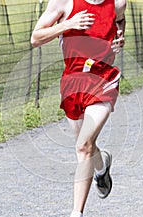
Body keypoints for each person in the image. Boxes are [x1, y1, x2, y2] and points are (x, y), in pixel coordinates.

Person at [30, 0, 126, 216]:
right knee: (87, 145)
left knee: (83, 147)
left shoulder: (117, 3)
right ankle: (102, 167)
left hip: (103, 79)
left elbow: (120, 20)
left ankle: (76, 212)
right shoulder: (63, 3)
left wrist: (119, 37)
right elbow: (35, 38)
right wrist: (68, 24)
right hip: (73, 82)